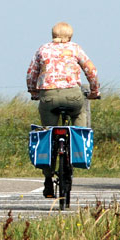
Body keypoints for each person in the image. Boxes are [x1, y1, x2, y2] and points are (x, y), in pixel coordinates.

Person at [26, 21, 100, 198]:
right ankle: (78, 150)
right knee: (80, 114)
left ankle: (48, 179)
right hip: (73, 96)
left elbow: (31, 74)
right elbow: (92, 71)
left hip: (48, 97)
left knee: (48, 134)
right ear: (70, 36)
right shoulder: (75, 49)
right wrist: (94, 91)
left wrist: (33, 91)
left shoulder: (43, 49)